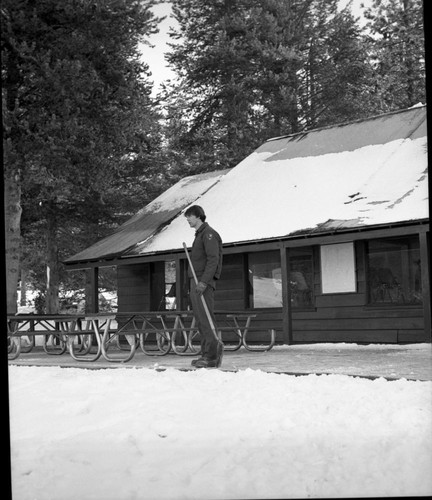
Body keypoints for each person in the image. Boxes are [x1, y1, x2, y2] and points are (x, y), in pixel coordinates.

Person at [184, 205, 223, 368]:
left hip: (203, 283)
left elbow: (213, 260)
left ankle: (212, 356)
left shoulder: (208, 234)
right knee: (200, 320)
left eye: (189, 216)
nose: (187, 219)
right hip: (196, 282)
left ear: (198, 216)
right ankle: (206, 354)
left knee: (206, 319)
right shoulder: (199, 235)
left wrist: (204, 282)